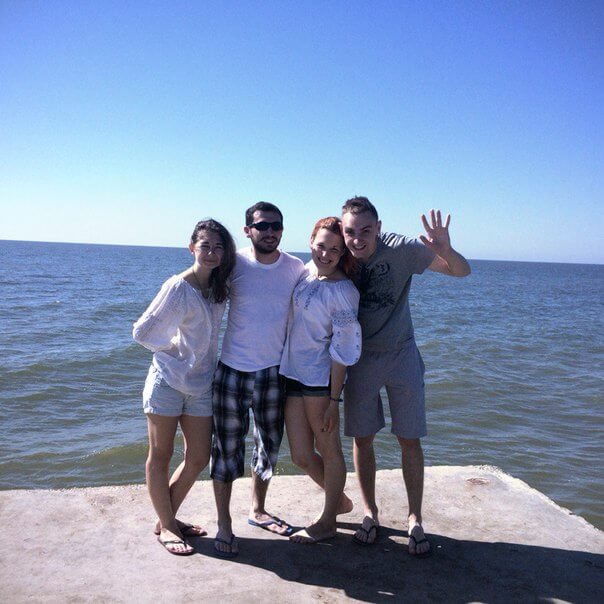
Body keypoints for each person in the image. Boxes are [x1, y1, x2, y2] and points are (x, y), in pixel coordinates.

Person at [340, 196, 471, 557]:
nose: (357, 239)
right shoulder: (339, 254)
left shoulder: (402, 249)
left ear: (379, 228)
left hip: (402, 354)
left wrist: (446, 250)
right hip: (360, 359)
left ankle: (415, 517)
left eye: (366, 230)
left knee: (409, 438)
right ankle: (370, 512)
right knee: (362, 438)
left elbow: (461, 271)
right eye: (350, 231)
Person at [132, 218, 236, 556]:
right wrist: (176, 352)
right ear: (192, 248)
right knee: (160, 455)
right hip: (167, 382)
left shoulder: (219, 287)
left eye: (218, 247)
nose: (211, 252)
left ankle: (167, 519)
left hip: (202, 384)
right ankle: (168, 526)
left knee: (199, 457)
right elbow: (142, 332)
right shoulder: (178, 286)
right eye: (205, 246)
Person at [211, 202, 306, 558]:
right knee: (225, 449)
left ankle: (258, 509)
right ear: (247, 230)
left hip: (273, 373)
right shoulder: (232, 263)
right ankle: (224, 523)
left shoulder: (295, 268)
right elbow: (204, 293)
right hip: (231, 371)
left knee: (268, 447)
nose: (270, 232)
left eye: (276, 225)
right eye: (262, 225)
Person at [281, 216, 362, 544]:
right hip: (291, 375)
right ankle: (339, 502)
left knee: (329, 450)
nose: (326, 254)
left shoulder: (343, 291)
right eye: (321, 246)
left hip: (319, 382)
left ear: (343, 253)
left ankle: (328, 521)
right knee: (300, 455)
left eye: (334, 249)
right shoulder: (306, 272)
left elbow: (344, 348)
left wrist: (333, 399)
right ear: (311, 242)